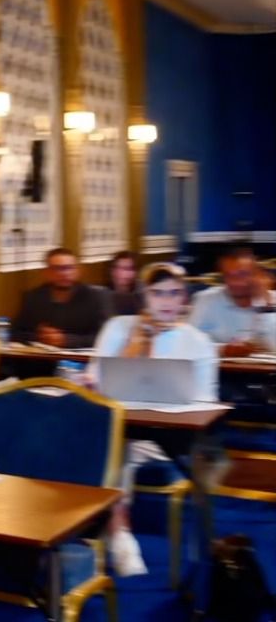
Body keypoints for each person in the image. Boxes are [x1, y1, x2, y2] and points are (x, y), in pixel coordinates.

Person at [90, 262, 218, 577]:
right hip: (116, 429)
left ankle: (116, 533)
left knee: (114, 450)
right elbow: (96, 382)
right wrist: (137, 342)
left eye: (174, 293)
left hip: (168, 435)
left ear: (185, 298)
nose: (166, 302)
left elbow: (205, 401)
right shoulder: (118, 328)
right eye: (157, 293)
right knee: (111, 444)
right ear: (144, 297)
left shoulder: (198, 341)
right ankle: (117, 531)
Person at [13, 247, 109, 348]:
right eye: (57, 268)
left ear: (79, 271)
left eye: (69, 268)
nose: (64, 273)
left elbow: (109, 337)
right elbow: (15, 333)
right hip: (43, 355)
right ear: (46, 272)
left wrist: (68, 340)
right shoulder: (34, 297)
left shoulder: (97, 297)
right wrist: (41, 337)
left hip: (82, 356)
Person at [188, 247, 276, 356]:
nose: (235, 282)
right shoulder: (206, 299)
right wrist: (223, 349)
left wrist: (265, 303)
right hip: (220, 366)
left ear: (257, 275)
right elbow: (188, 343)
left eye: (242, 274)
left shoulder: (272, 300)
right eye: (228, 275)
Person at [105, 250, 144, 317]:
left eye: (131, 269)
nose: (126, 273)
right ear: (112, 271)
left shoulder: (143, 292)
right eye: (122, 268)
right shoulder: (103, 296)